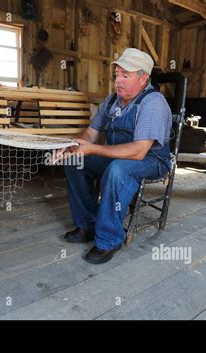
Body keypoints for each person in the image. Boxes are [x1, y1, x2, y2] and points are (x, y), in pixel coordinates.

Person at [56, 48, 173, 264]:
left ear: (143, 78)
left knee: (118, 169)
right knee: (76, 161)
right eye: (117, 74)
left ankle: (109, 239)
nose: (118, 80)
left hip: (152, 159)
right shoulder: (111, 101)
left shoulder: (153, 102)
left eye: (125, 75)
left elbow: (139, 151)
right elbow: (91, 133)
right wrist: (72, 146)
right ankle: (88, 224)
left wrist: (94, 149)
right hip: (117, 156)